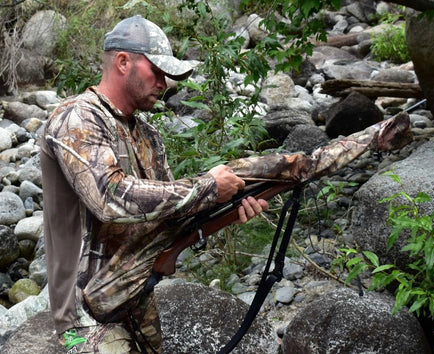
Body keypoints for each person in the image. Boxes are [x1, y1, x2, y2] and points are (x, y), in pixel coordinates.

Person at [41, 15, 268, 353]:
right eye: (157, 72)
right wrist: (207, 186)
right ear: (122, 62)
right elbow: (110, 197)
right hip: (84, 318)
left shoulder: (149, 136)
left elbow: (170, 220)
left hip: (137, 298)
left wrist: (230, 209)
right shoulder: (76, 118)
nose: (165, 83)